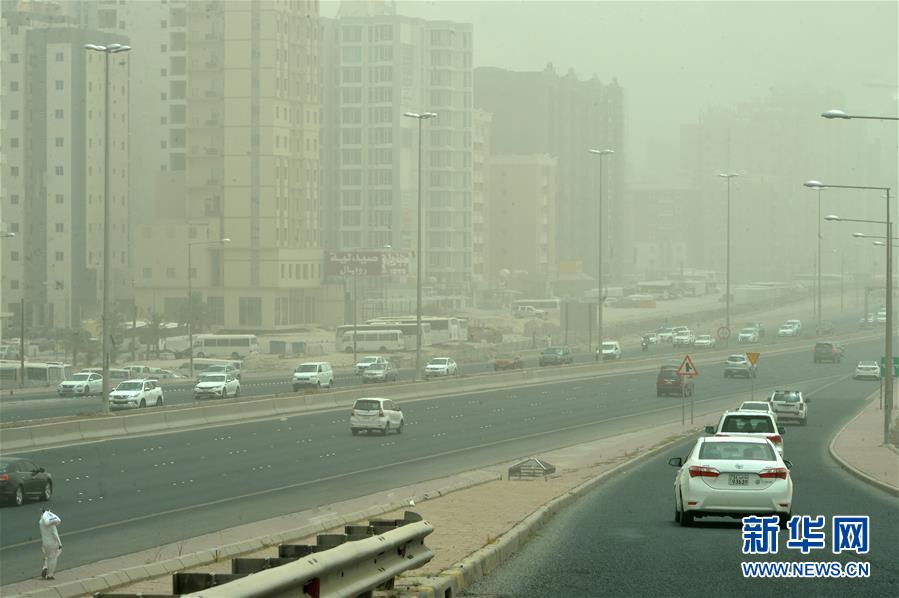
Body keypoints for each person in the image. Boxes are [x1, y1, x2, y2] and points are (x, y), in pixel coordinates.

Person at [38, 508, 62, 580]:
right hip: (53, 543)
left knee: (47, 556)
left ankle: (45, 567)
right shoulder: (51, 524)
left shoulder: (41, 522)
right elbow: (55, 534)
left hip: (45, 543)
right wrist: (59, 544)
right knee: (53, 558)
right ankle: (50, 575)